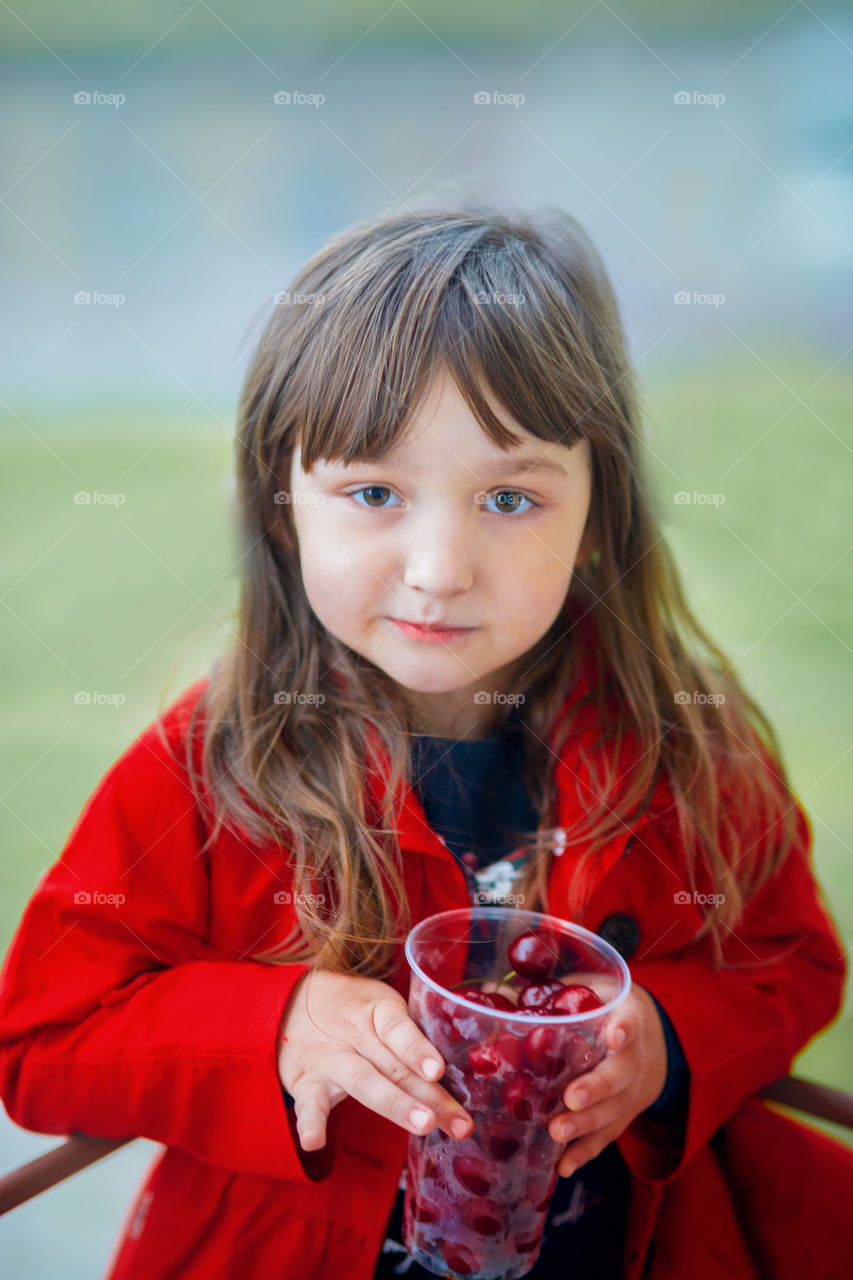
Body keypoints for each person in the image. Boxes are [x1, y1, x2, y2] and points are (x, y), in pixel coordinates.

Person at [0, 200, 846, 1280]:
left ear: (598, 511)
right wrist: (278, 1029)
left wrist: (667, 1045)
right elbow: (43, 1039)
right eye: (373, 492)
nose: (440, 568)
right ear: (281, 507)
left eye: (509, 497)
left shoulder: (687, 752)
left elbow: (788, 963)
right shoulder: (208, 771)